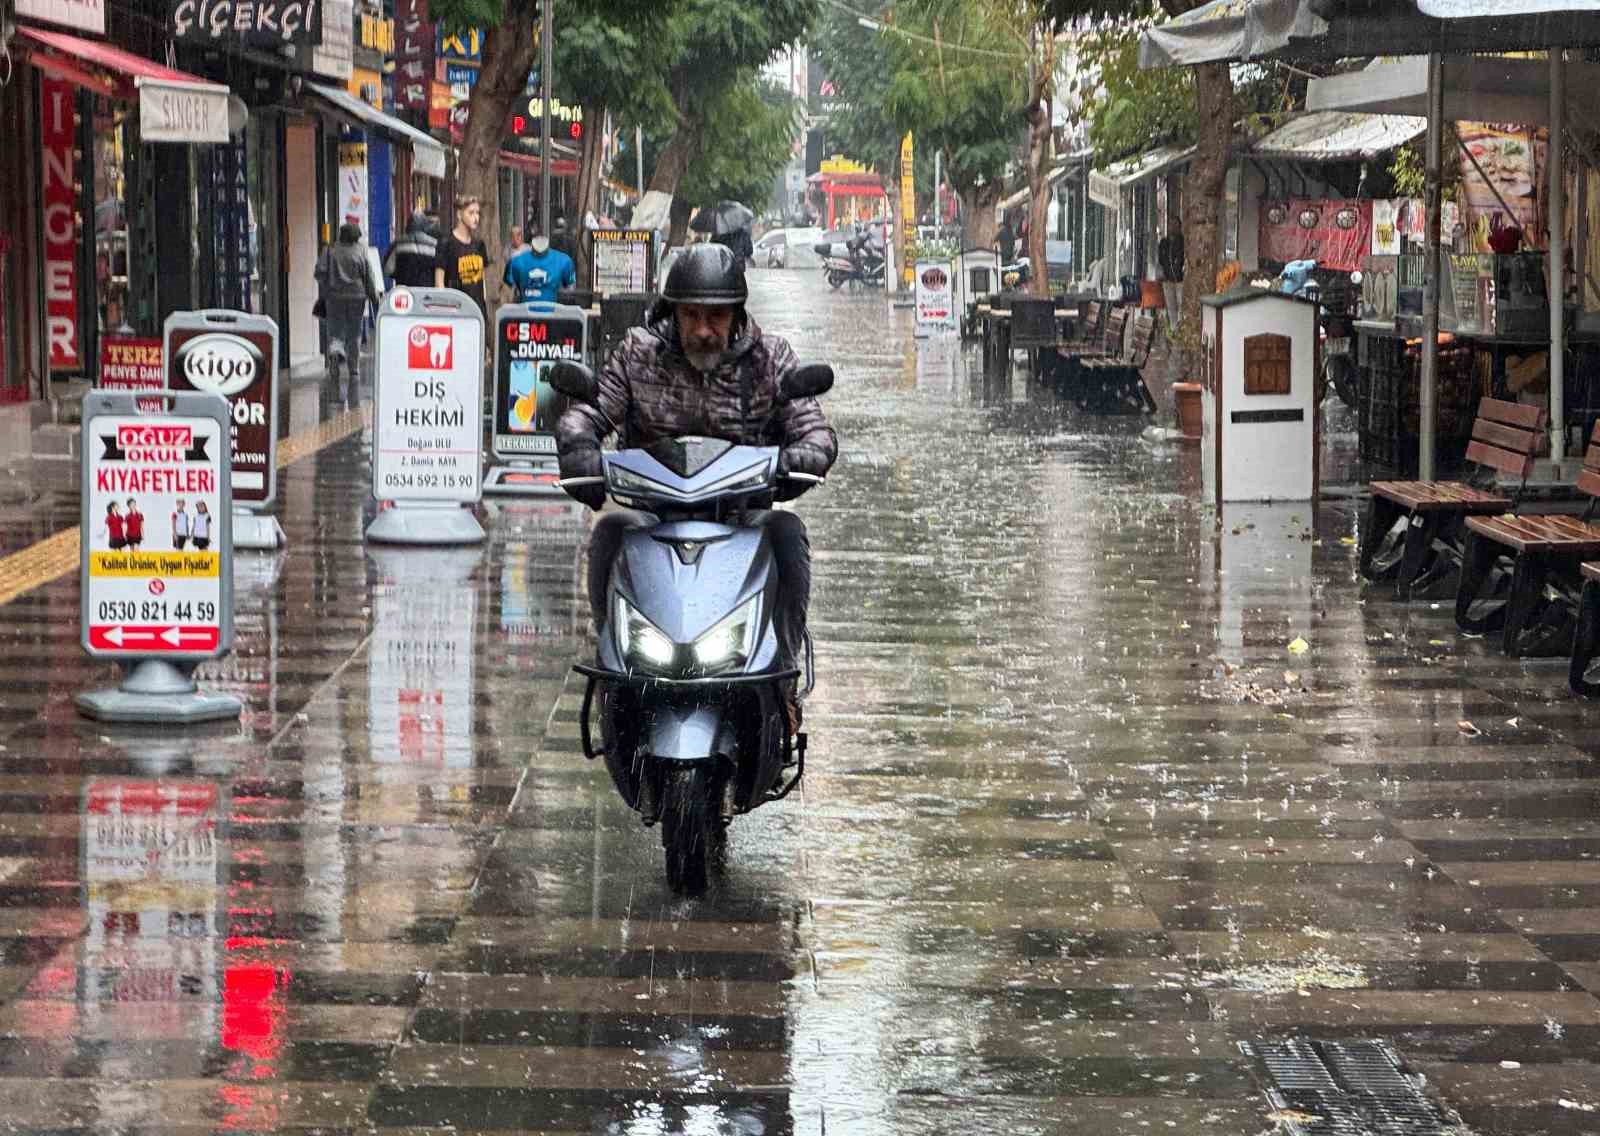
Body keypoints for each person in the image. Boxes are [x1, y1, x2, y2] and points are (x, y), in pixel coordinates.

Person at [556, 244, 837, 724]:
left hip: (741, 517)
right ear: (673, 313)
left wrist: (801, 456)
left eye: (716, 317)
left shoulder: (770, 359)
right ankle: (613, 668)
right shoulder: (636, 355)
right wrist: (580, 445)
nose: (704, 330)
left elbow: (814, 428)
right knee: (607, 533)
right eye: (692, 316)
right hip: (653, 515)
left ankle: (783, 679)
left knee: (788, 534)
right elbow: (590, 410)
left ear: (736, 315)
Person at [316, 222, 382, 399]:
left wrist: (328, 285)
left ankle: (335, 359)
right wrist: (375, 298)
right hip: (356, 297)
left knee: (335, 331)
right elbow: (369, 277)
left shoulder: (329, 250)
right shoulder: (360, 251)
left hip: (334, 297)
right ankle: (354, 369)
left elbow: (319, 273)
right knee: (354, 333)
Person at [434, 195, 490, 320]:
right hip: (455, 311)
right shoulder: (446, 243)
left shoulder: (479, 244)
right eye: (471, 213)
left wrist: (483, 304)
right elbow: (439, 282)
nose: (476, 218)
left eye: (477, 213)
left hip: (477, 310)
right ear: (459, 214)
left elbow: (483, 278)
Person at [504, 222, 577, 304]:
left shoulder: (565, 261)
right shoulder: (514, 260)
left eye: (518, 235)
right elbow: (509, 285)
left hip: (553, 311)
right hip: (525, 311)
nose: (515, 238)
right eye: (513, 235)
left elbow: (570, 291)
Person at [386, 211, 440, 288]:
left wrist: (400, 275)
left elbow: (388, 269)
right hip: (427, 292)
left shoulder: (398, 244)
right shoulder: (434, 245)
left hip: (405, 292)